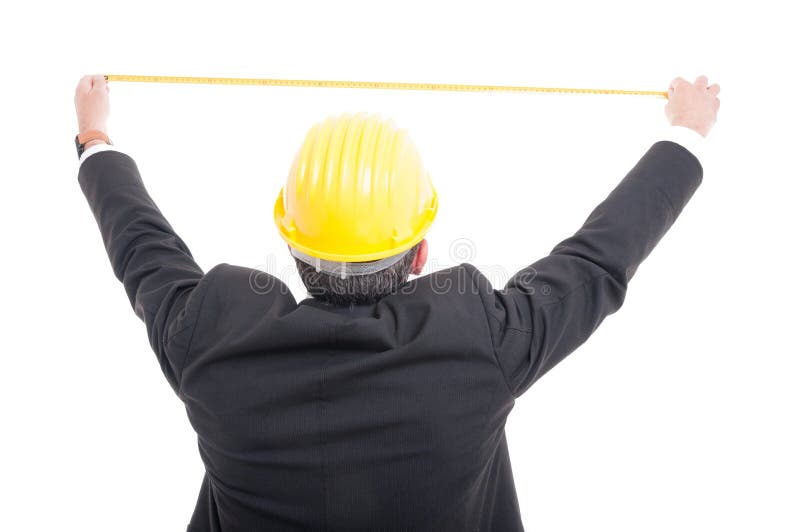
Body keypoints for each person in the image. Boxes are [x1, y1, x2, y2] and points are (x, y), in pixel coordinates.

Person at [74, 74, 720, 532]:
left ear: (293, 249)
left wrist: (95, 137)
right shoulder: (476, 340)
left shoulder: (211, 339)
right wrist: (686, 132)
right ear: (419, 254)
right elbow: (596, 261)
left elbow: (142, 251)